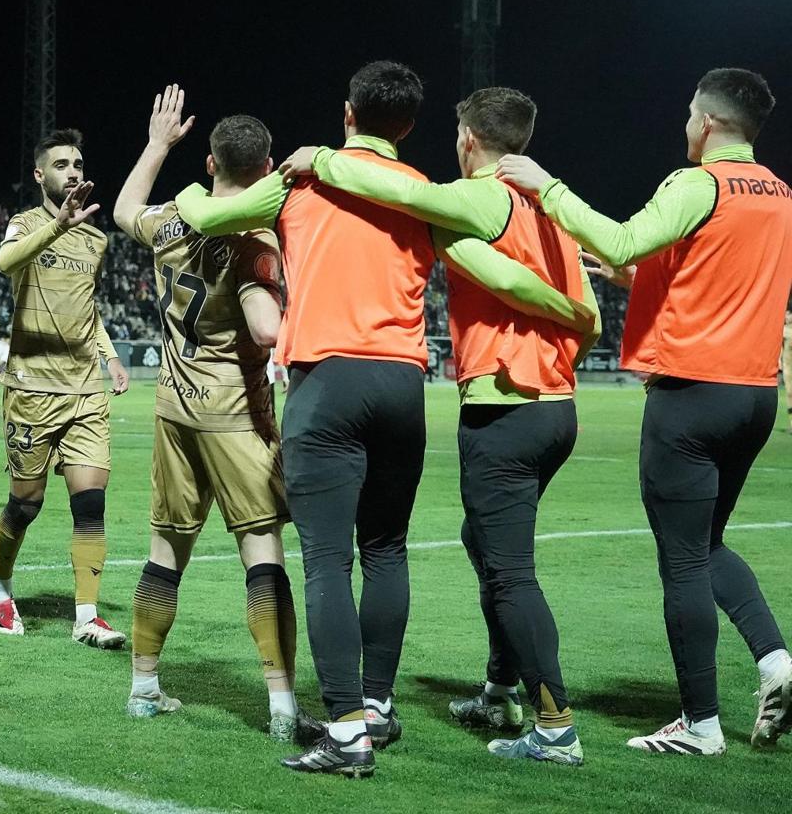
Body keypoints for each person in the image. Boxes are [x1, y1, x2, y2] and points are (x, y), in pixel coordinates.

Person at [175, 61, 597, 776]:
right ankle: (377, 705)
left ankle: (344, 734)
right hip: (403, 385)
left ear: (347, 113)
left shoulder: (301, 184)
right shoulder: (427, 199)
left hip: (328, 382)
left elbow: (206, 215)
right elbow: (496, 274)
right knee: (387, 551)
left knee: (329, 563)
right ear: (407, 126)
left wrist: (189, 181)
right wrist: (575, 310)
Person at [497, 67, 792, 754]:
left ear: (710, 122)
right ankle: (777, 662)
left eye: (691, 113)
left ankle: (701, 725)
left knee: (682, 561)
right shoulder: (778, 191)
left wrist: (550, 188)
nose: (686, 124)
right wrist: (644, 279)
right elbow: (723, 272)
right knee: (707, 544)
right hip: (754, 394)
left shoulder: (697, 183)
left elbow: (624, 238)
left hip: (691, 393)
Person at [113, 86, 321, 743]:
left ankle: (144, 687)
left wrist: (156, 145)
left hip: (173, 411)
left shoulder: (174, 217)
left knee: (164, 551)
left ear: (210, 163)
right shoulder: (253, 235)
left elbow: (123, 212)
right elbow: (264, 330)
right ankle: (284, 708)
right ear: (266, 170)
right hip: (235, 415)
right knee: (262, 555)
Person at [0, 128, 131, 649]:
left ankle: (87, 616)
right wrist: (56, 225)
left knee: (90, 504)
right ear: (40, 175)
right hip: (32, 389)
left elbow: (86, 311)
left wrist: (110, 357)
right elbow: (6, 263)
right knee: (25, 505)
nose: (73, 170)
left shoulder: (96, 238)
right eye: (61, 163)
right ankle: (1, 588)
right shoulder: (25, 224)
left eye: (77, 162)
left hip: (84, 392)